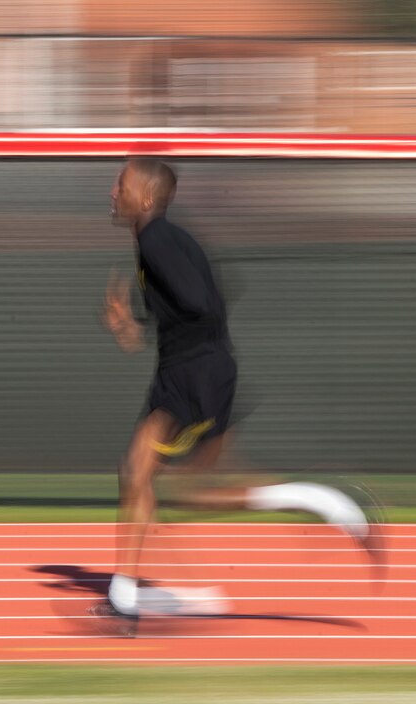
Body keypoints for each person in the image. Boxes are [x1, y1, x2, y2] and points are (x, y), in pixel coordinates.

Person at [101, 157, 380, 620]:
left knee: (137, 472)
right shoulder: (161, 239)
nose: (112, 192)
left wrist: (187, 335)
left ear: (146, 197)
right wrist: (133, 324)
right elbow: (202, 299)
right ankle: (325, 499)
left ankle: (124, 597)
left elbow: (202, 302)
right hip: (200, 369)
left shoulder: (155, 238)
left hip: (192, 375)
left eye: (120, 185)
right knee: (185, 491)